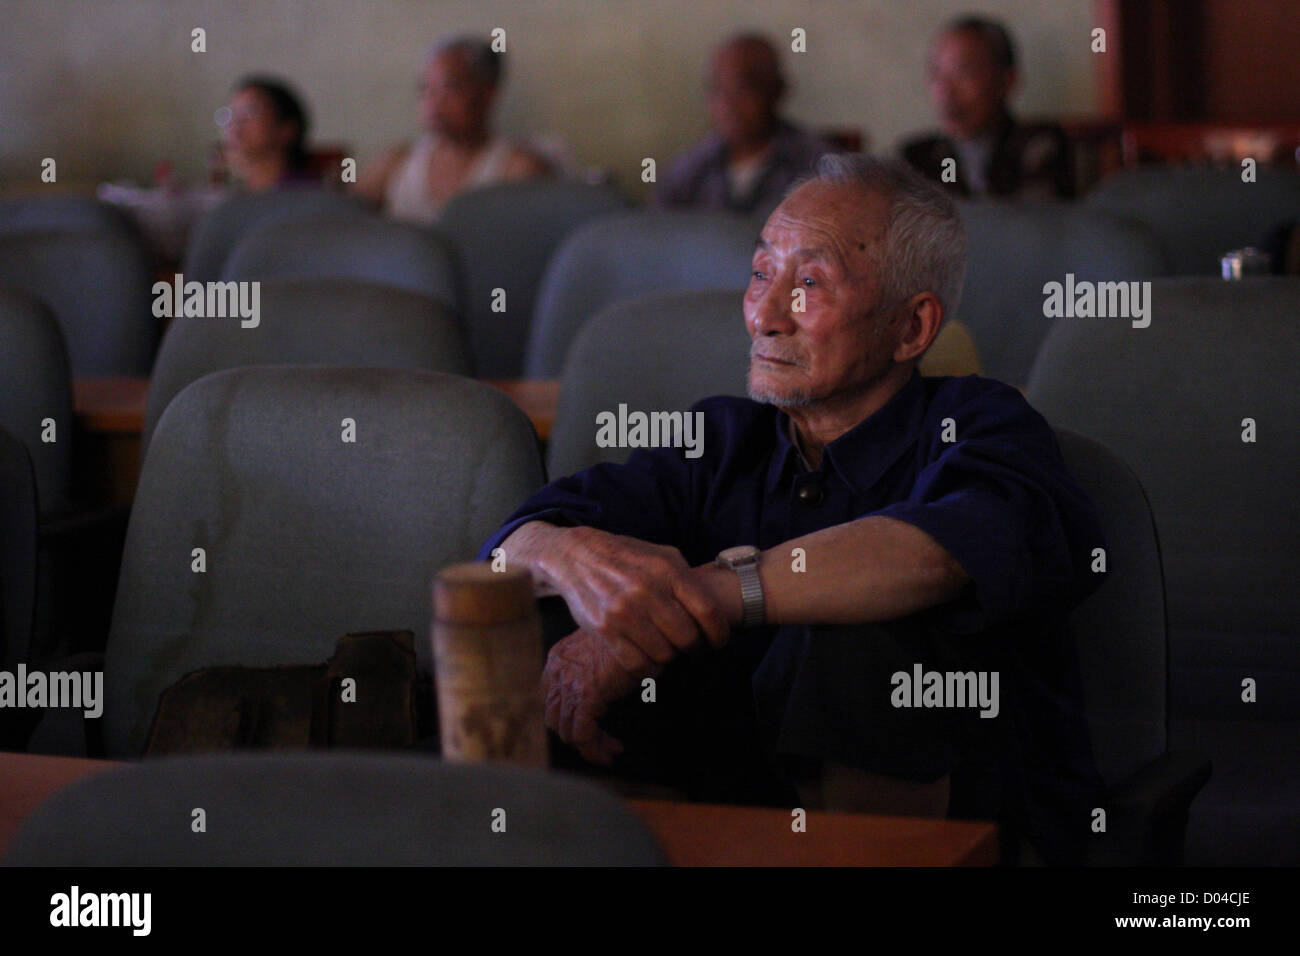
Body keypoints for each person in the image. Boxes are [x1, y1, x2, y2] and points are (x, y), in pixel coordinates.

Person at [479, 155, 1107, 865]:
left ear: (911, 327)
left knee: (859, 644)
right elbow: (509, 545)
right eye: (759, 273)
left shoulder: (983, 425)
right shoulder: (721, 439)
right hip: (744, 822)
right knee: (543, 619)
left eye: (809, 282)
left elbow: (936, 552)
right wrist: (578, 563)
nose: (766, 314)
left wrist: (710, 596)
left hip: (984, 835)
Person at [354, 36, 550, 224]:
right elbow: (341, 216)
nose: (433, 102)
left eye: (449, 88)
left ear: (487, 94)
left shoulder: (517, 170)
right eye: (425, 89)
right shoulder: (396, 163)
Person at [654, 33, 831, 217]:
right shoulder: (688, 172)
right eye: (717, 88)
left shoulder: (818, 168)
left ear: (777, 90)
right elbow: (659, 235)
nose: (727, 103)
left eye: (742, 88)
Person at [901, 17, 1073, 200]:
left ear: (1006, 81)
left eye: (964, 72)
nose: (945, 90)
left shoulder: (1038, 146)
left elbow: (1034, 220)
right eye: (936, 73)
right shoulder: (916, 157)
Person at [216, 76, 317, 191]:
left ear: (287, 129)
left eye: (249, 113)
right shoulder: (224, 201)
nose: (234, 128)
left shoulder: (313, 198)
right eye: (229, 116)